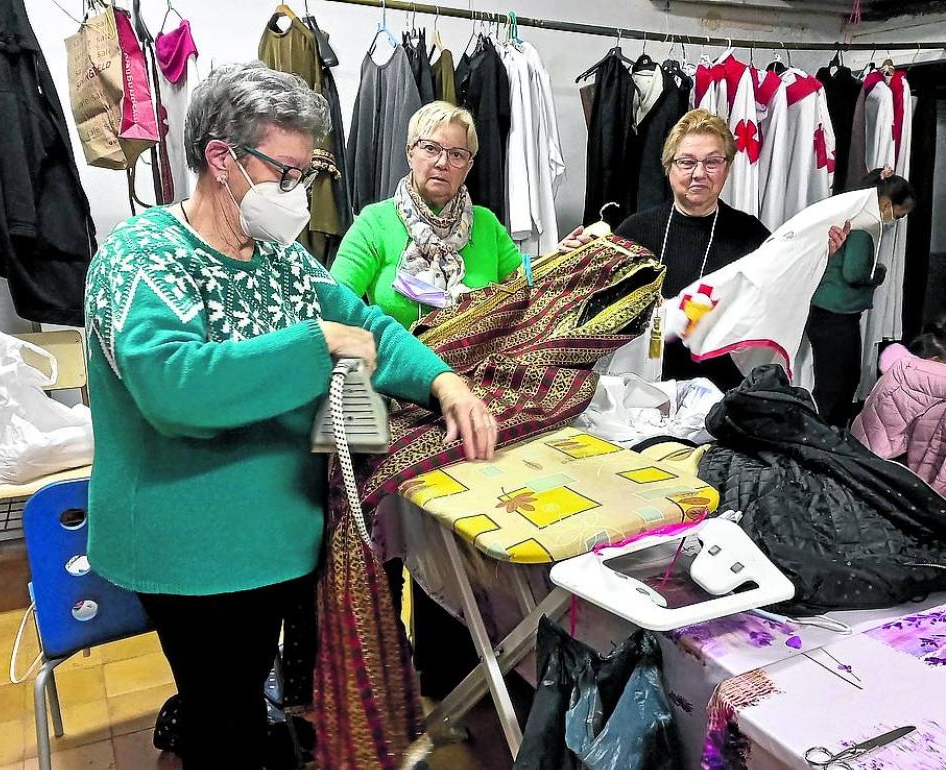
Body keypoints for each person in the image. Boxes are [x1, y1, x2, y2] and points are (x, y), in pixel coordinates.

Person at [83, 62, 498, 770]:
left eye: (307, 174)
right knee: (223, 714)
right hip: (192, 551)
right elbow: (175, 390)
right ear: (222, 158)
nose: (299, 193)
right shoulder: (142, 256)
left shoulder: (281, 261)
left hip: (278, 540)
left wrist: (444, 382)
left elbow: (368, 324)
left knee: (240, 698)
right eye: (287, 172)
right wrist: (317, 345)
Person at [616, 109, 850, 389]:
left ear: (727, 168)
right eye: (687, 162)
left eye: (712, 162)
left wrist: (815, 259)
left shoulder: (751, 236)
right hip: (643, 392)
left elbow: (779, 304)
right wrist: (573, 259)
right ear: (669, 167)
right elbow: (600, 309)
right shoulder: (633, 232)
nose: (699, 173)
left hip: (724, 396)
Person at [330, 101, 591, 328]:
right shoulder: (375, 222)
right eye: (431, 148)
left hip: (478, 374)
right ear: (410, 152)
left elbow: (524, 290)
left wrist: (559, 260)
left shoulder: (486, 224)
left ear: (468, 166)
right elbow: (335, 301)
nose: (442, 163)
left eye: (457, 154)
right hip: (397, 373)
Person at [806, 168, 917, 425]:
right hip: (836, 316)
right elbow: (854, 273)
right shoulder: (864, 225)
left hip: (826, 313)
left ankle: (826, 433)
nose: (899, 219)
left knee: (832, 381)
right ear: (888, 203)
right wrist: (877, 275)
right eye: (902, 213)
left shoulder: (852, 217)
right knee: (839, 384)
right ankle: (827, 436)